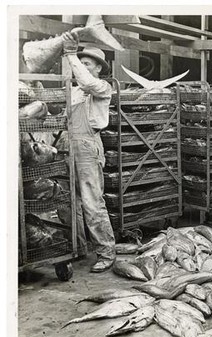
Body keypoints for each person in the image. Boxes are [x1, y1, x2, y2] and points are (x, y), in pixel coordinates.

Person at [61, 30, 116, 272]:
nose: (81, 67)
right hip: (68, 145)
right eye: (80, 63)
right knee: (70, 201)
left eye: (86, 64)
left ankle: (106, 251)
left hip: (87, 146)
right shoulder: (74, 91)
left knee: (92, 202)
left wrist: (71, 55)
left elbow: (86, 82)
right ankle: (80, 248)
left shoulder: (102, 87)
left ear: (98, 69)